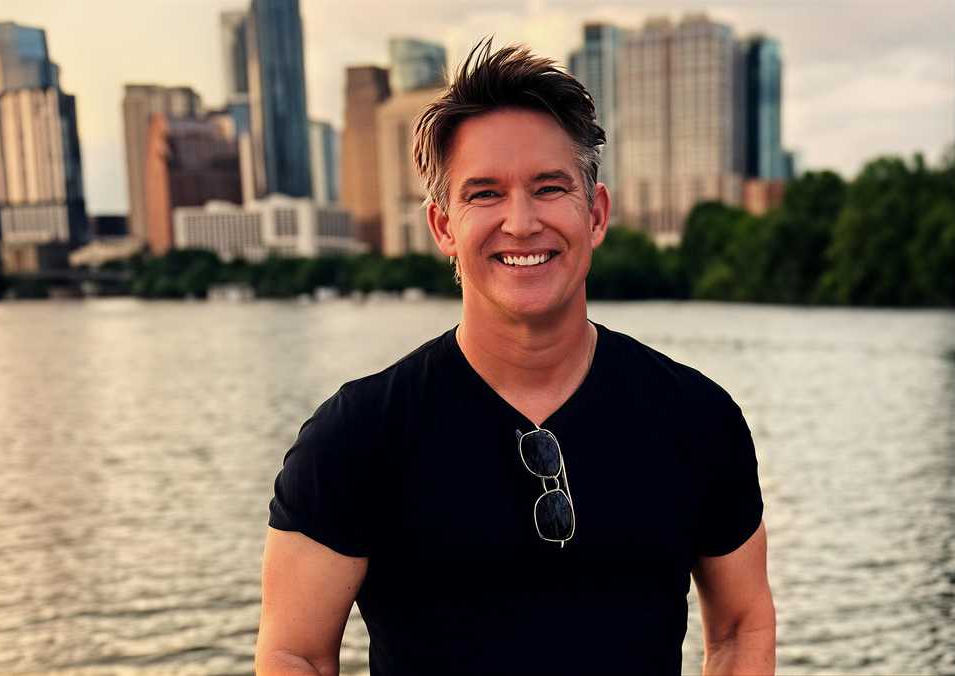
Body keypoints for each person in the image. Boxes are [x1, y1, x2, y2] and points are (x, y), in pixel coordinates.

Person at [255, 39, 775, 676]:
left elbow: (741, 625)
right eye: (484, 194)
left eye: (549, 188)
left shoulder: (698, 418)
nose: (521, 222)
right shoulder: (357, 434)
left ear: (597, 213)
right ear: (443, 226)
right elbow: (294, 653)